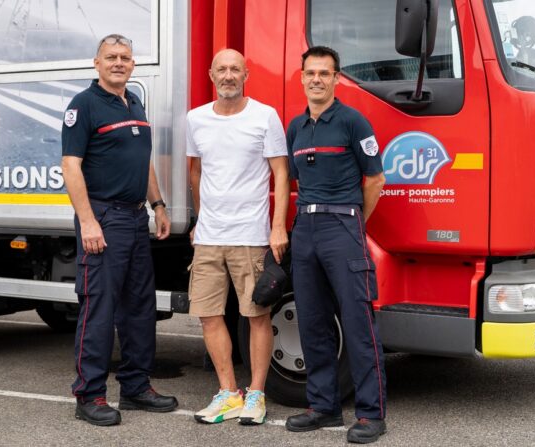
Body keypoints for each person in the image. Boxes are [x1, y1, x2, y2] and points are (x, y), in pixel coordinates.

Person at [61, 33, 178, 426]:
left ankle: (136, 386)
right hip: (104, 218)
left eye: (125, 57)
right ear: (96, 63)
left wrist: (158, 205)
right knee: (99, 308)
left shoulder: (135, 102)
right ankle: (89, 395)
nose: (119, 62)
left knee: (139, 308)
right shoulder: (84, 105)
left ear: (132, 65)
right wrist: (88, 220)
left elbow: (141, 160)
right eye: (111, 57)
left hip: (134, 217)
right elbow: (71, 166)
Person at [283, 46, 388, 444]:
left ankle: (370, 414)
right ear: (302, 76)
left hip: (342, 225)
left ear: (336, 78)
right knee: (312, 322)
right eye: (310, 72)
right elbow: (294, 180)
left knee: (358, 324)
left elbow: (375, 181)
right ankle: (323, 406)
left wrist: (355, 222)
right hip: (305, 227)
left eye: (324, 73)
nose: (316, 79)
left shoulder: (353, 122)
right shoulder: (295, 127)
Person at [186, 49, 289, 425]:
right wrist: (199, 219)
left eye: (235, 69)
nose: (228, 75)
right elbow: (195, 173)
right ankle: (228, 393)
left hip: (250, 234)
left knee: (256, 315)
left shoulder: (264, 116)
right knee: (209, 316)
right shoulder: (195, 119)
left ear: (246, 74)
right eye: (221, 69)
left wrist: (277, 227)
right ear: (211, 75)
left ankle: (256, 394)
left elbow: (280, 172)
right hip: (210, 236)